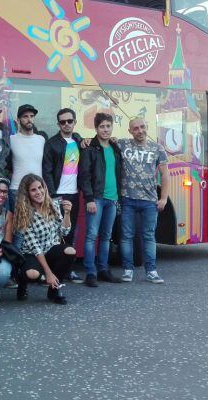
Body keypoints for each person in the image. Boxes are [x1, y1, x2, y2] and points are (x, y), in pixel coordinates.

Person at [116, 118, 170, 284]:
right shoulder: (122, 144)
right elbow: (103, 140)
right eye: (135, 128)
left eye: (142, 127)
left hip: (149, 201)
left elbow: (165, 174)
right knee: (126, 236)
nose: (140, 131)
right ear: (130, 131)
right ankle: (127, 270)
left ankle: (151, 271)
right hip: (127, 198)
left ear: (147, 128)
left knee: (149, 236)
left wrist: (164, 198)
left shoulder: (157, 148)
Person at [13, 174, 75, 305]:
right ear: (27, 193)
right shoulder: (24, 213)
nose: (38, 192)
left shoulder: (53, 205)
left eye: (40, 187)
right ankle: (22, 282)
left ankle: (54, 290)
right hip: (32, 253)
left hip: (51, 249)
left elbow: (64, 232)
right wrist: (48, 273)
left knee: (70, 251)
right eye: (33, 190)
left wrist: (68, 213)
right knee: (32, 274)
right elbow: (35, 247)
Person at [77, 112, 123, 287]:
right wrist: (89, 199)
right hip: (95, 198)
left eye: (108, 126)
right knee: (91, 236)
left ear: (112, 127)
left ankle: (103, 270)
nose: (105, 129)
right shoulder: (90, 149)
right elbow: (84, 176)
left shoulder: (115, 148)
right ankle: (90, 273)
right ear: (96, 129)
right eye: (102, 126)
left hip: (112, 199)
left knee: (106, 236)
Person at [41, 107, 83, 283]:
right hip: (58, 194)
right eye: (62, 122)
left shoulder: (79, 140)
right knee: (55, 234)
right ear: (58, 124)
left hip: (74, 194)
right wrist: (52, 195)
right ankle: (53, 270)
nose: (66, 124)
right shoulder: (52, 143)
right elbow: (47, 170)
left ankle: (68, 269)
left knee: (71, 231)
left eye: (69, 121)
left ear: (74, 122)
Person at [9, 105, 46, 208]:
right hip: (17, 189)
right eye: (25, 116)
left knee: (38, 223)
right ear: (18, 119)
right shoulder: (11, 139)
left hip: (38, 190)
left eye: (32, 116)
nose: (29, 119)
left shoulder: (41, 139)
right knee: (17, 224)